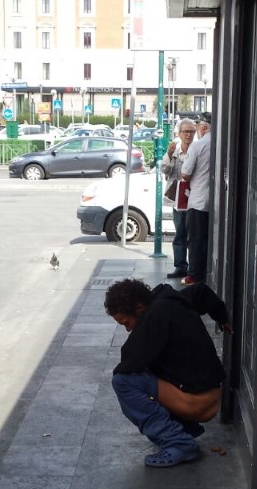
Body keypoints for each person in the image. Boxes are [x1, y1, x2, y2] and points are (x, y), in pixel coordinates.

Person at [105, 278, 232, 468]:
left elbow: (128, 363)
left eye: (127, 322)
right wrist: (223, 318)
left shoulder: (156, 316)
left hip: (197, 402)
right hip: (211, 394)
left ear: (139, 307)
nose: (128, 329)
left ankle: (179, 443)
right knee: (150, 368)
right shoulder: (170, 300)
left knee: (124, 382)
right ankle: (184, 428)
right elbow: (200, 292)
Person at [160, 119, 197, 279]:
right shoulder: (174, 150)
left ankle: (195, 268)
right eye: (186, 132)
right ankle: (181, 266)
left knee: (194, 235)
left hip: (195, 197)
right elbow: (165, 170)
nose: (189, 135)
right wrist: (168, 155)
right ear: (179, 134)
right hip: (178, 199)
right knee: (180, 233)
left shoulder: (197, 148)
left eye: (191, 132)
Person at [180, 113, 213, 285]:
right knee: (208, 239)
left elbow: (185, 173)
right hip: (214, 201)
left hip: (198, 199)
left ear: (203, 128)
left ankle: (193, 274)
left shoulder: (198, 146)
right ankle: (207, 271)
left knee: (195, 240)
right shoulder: (220, 144)